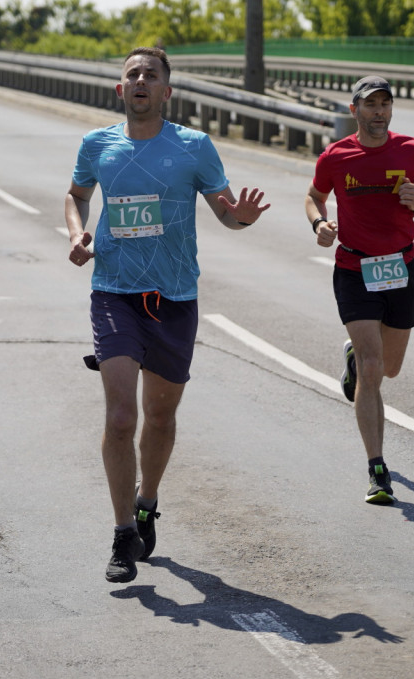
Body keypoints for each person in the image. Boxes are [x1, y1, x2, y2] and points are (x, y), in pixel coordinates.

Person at [65, 46, 269, 584]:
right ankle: (120, 534)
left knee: (159, 417)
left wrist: (241, 218)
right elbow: (76, 195)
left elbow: (226, 213)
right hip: (114, 292)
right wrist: (77, 232)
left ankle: (146, 500)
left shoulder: (194, 148)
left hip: (174, 298)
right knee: (120, 417)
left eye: (150, 75)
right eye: (132, 74)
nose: (140, 81)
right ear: (119, 89)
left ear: (166, 92)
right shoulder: (97, 144)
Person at [305, 75, 414, 505]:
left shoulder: (413, 151)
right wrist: (319, 223)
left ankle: (352, 355)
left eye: (385, 104)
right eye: (370, 104)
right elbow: (313, 195)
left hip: (400, 266)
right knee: (371, 368)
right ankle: (377, 470)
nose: (379, 111)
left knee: (390, 368)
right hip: (354, 266)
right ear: (354, 111)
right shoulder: (336, 155)